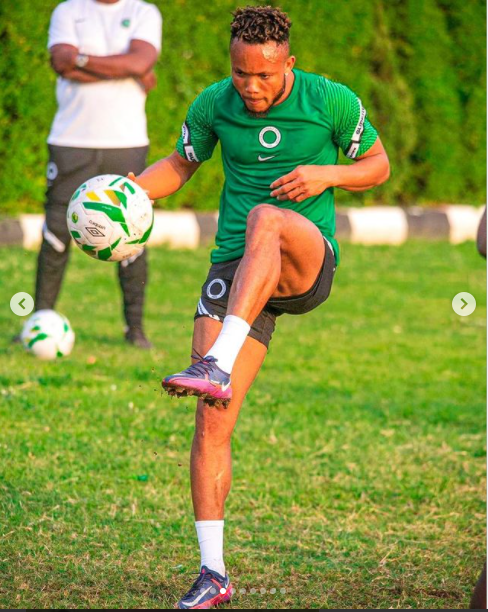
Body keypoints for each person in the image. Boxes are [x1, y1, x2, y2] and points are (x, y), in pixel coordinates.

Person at [133, 6, 390, 608]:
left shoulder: (330, 100)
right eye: (241, 74)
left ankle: (215, 359)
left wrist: (325, 175)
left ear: (288, 65)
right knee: (212, 420)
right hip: (236, 269)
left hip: (303, 261)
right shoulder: (214, 103)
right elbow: (180, 165)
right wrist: (123, 193)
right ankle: (212, 572)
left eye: (265, 76)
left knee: (266, 218)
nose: (251, 87)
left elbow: (378, 166)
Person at [32, 0, 162, 348]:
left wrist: (83, 60)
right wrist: (126, 69)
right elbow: (61, 61)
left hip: (127, 141)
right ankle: (38, 321)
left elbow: (142, 61)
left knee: (133, 232)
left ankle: (135, 330)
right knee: (56, 231)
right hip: (70, 140)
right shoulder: (67, 10)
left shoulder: (143, 12)